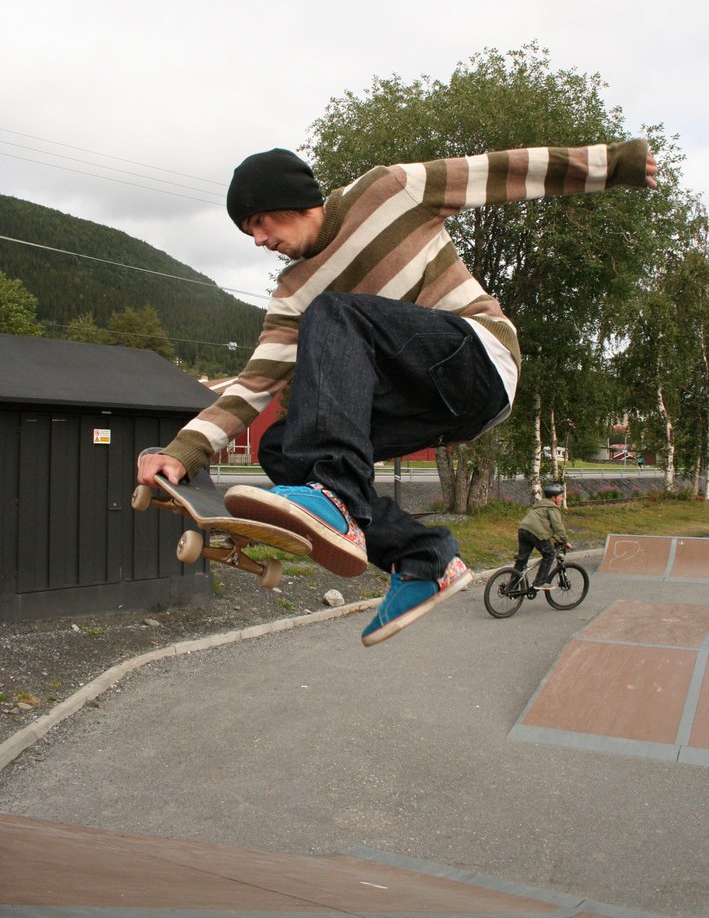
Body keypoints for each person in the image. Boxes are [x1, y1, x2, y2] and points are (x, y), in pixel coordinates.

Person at [138, 139, 657, 645]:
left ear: (285, 200)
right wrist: (183, 452)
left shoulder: (389, 190)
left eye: (258, 223)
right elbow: (253, 386)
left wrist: (615, 165)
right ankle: (423, 558)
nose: (257, 240)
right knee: (282, 444)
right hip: (434, 409)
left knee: (335, 312)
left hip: (477, 359)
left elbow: (496, 172)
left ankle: (333, 500)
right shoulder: (291, 293)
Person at [514, 482, 572, 589]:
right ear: (553, 498)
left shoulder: (539, 505)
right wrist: (565, 541)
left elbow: (544, 526)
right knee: (549, 554)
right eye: (560, 496)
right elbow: (558, 527)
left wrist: (554, 539)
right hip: (535, 532)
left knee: (522, 560)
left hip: (523, 529)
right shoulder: (552, 508)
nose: (562, 499)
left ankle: (511, 587)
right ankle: (539, 582)